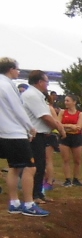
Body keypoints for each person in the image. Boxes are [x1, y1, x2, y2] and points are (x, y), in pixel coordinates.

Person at [0, 57, 48, 216]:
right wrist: (30, 127)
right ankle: (28, 203)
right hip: (15, 132)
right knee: (30, 167)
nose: (18, 72)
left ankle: (14, 202)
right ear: (10, 69)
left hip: (4, 132)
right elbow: (18, 109)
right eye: (17, 69)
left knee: (14, 167)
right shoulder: (7, 85)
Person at [21, 70, 66, 203]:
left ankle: (39, 193)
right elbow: (45, 116)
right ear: (40, 82)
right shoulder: (32, 95)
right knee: (36, 165)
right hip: (34, 135)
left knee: (41, 165)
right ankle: (34, 195)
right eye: (46, 81)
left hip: (41, 134)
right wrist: (59, 128)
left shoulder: (38, 95)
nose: (47, 84)